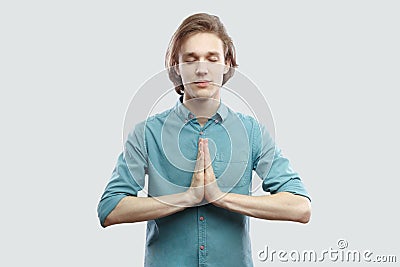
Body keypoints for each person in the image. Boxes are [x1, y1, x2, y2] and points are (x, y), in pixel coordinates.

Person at [97, 13, 311, 266]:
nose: (201, 69)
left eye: (212, 58)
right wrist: (186, 198)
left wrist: (220, 198)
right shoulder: (147, 133)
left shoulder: (251, 131)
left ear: (227, 64)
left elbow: (300, 207)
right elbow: (110, 209)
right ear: (176, 66)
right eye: (191, 59)